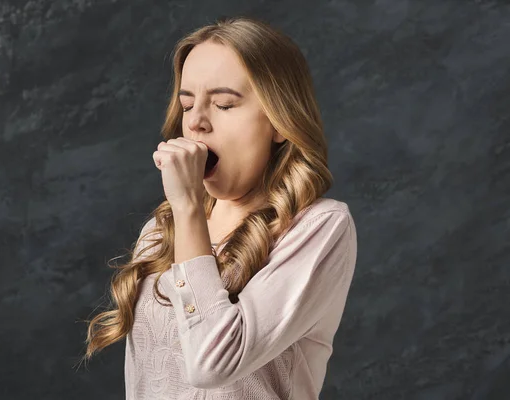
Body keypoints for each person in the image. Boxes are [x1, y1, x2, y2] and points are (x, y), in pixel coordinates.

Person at [81, 16, 358, 400]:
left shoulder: (320, 227)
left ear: (279, 121)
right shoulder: (162, 231)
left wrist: (189, 207)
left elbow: (212, 364)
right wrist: (186, 212)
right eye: (187, 103)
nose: (196, 122)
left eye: (224, 104)